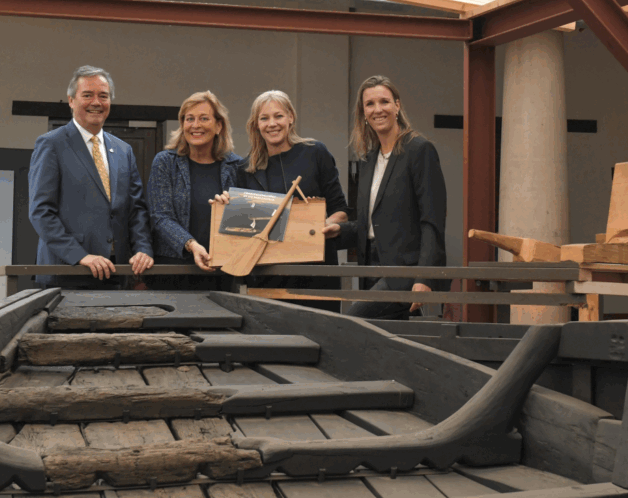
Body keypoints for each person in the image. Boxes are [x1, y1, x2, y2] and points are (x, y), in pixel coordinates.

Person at [325, 75, 447, 320]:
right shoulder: (369, 159)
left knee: (351, 322)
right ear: (363, 112)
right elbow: (374, 225)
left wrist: (424, 277)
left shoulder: (419, 149)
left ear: (397, 106)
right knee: (384, 338)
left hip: (404, 272)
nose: (377, 109)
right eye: (370, 104)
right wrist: (340, 230)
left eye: (384, 101)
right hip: (370, 268)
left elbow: (432, 220)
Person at [29, 65, 154, 288]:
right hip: (68, 272)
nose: (96, 102)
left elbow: (136, 210)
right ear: (71, 100)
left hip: (116, 272)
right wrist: (80, 256)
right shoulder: (51, 144)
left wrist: (143, 249)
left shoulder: (123, 151)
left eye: (103, 96)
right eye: (87, 95)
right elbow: (41, 212)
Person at [237, 90, 348, 306]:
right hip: (268, 276)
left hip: (315, 273)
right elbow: (243, 227)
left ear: (291, 118)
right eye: (264, 118)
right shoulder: (245, 169)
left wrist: (320, 228)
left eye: (278, 116)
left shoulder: (316, 153)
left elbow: (341, 210)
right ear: (256, 124)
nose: (272, 124)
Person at [148, 91, 241, 290]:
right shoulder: (165, 163)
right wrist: (191, 245)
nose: (195, 125)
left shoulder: (237, 166)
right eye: (189, 119)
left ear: (219, 126)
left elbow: (245, 221)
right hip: (173, 271)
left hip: (222, 271)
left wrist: (232, 210)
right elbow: (160, 217)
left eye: (204, 118)